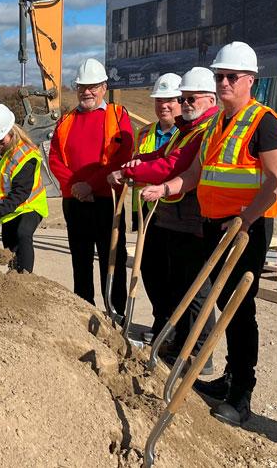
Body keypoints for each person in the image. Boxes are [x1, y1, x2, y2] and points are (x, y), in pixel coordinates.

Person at [141, 42, 277, 426]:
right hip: (213, 225)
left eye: (231, 77)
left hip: (245, 231)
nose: (223, 82)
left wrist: (245, 219)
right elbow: (195, 175)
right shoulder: (216, 124)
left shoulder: (264, 122)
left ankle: (241, 394)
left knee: (241, 310)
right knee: (223, 306)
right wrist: (167, 188)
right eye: (220, 76)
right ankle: (228, 377)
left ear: (250, 81)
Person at [110, 68, 219, 374]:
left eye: (190, 97)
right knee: (179, 285)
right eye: (182, 97)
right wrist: (136, 163)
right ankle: (180, 343)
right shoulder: (188, 128)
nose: (184, 103)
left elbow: (174, 165)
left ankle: (199, 356)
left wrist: (130, 173)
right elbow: (159, 154)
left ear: (209, 99)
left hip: (194, 217)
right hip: (173, 217)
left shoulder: (203, 130)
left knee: (196, 291)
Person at [48, 58, 134, 315]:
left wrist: (91, 185)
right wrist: (76, 187)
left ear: (104, 87)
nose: (87, 91)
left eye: (93, 86)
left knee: (113, 262)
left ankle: (116, 312)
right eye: (82, 86)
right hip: (75, 202)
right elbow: (54, 157)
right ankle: (85, 311)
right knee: (80, 261)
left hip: (107, 202)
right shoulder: (66, 120)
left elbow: (122, 155)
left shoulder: (118, 116)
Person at [128, 74, 181, 340]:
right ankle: (161, 321)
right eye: (160, 100)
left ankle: (173, 328)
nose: (164, 105)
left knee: (173, 271)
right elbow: (139, 164)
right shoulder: (144, 133)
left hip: (172, 208)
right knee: (150, 268)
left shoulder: (185, 135)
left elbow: (169, 168)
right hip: (145, 209)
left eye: (170, 99)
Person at [0, 104, 48, 272]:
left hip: (29, 205)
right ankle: (13, 277)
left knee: (23, 234)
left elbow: (20, 193)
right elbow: (0, 168)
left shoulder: (27, 156)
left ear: (11, 131)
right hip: (9, 209)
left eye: (0, 141)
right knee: (10, 243)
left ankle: (25, 277)